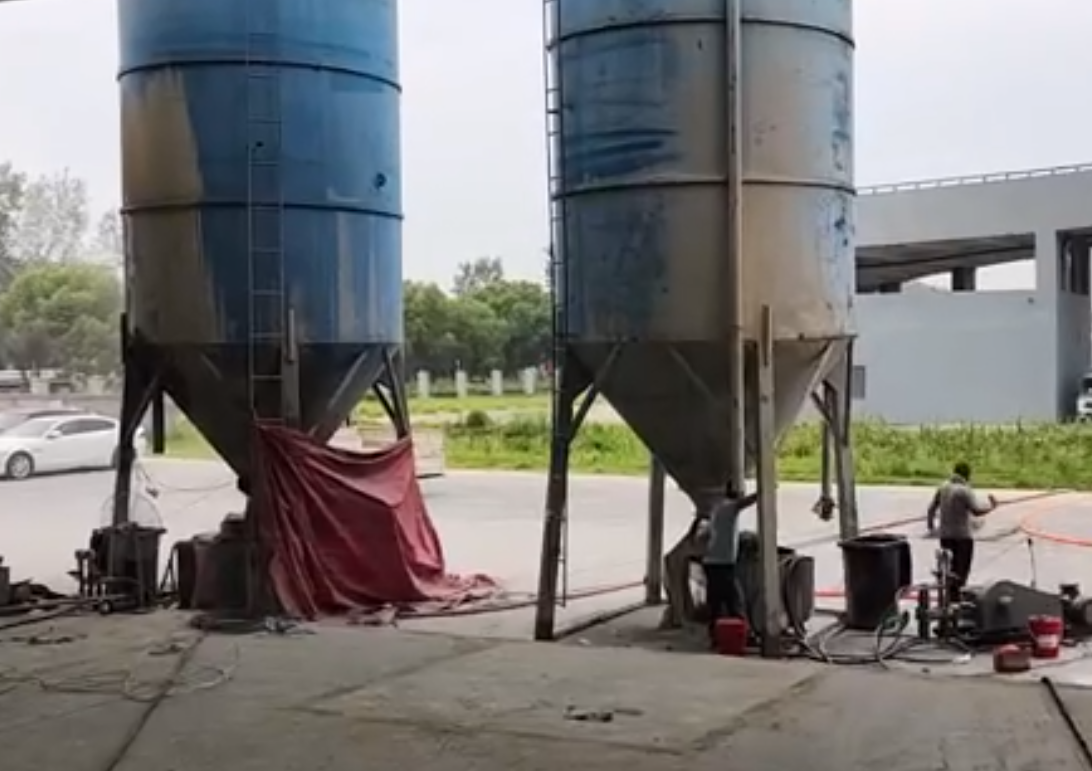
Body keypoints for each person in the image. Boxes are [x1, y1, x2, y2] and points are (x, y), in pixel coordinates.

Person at [926, 461, 997, 591]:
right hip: (962, 537)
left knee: (949, 569)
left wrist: (931, 528)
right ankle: (957, 595)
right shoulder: (964, 490)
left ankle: (948, 594)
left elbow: (931, 509)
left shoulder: (943, 487)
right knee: (961, 571)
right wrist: (992, 506)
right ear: (967, 475)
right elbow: (976, 510)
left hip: (945, 536)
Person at [703, 490, 759, 641]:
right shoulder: (730, 507)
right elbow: (745, 502)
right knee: (735, 600)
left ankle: (715, 636)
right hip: (723, 563)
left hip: (711, 562)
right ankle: (744, 635)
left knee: (715, 603)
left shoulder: (717, 508)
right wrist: (762, 492)